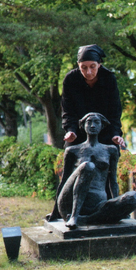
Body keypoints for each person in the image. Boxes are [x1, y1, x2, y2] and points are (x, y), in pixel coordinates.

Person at [46, 44, 125, 222]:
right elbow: (67, 110)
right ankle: (62, 210)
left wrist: (115, 133)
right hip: (79, 133)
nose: (88, 72)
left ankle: (110, 209)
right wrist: (71, 130)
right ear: (78, 66)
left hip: (104, 132)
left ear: (99, 65)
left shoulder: (109, 78)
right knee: (72, 169)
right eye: (83, 68)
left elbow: (115, 111)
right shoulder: (70, 79)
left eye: (92, 67)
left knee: (106, 169)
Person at [55, 112, 136, 229]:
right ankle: (74, 216)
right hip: (70, 204)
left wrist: (117, 204)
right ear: (83, 126)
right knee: (88, 166)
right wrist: (55, 212)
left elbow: (113, 181)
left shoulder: (111, 150)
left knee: (134, 197)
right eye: (89, 122)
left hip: (98, 204)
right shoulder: (72, 150)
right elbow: (64, 179)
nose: (93, 125)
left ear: (102, 126)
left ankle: (87, 220)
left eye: (96, 122)